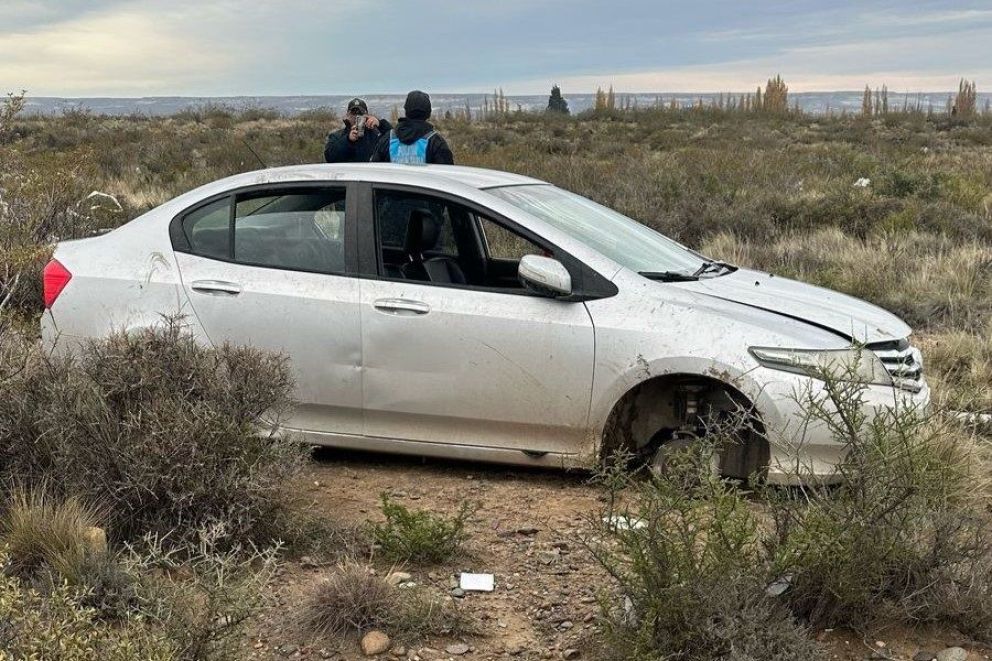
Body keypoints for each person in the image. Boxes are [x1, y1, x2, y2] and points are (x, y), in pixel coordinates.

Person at [371, 90, 454, 165]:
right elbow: (447, 173)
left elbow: (375, 171)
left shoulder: (387, 139)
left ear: (406, 111)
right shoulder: (436, 142)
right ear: (428, 113)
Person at [323, 98, 391, 163]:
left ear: (367, 115)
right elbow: (330, 157)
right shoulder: (337, 136)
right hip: (348, 174)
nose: (356, 116)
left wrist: (381, 124)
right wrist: (348, 140)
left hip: (371, 173)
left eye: (360, 113)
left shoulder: (376, 135)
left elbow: (394, 141)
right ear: (348, 115)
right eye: (353, 112)